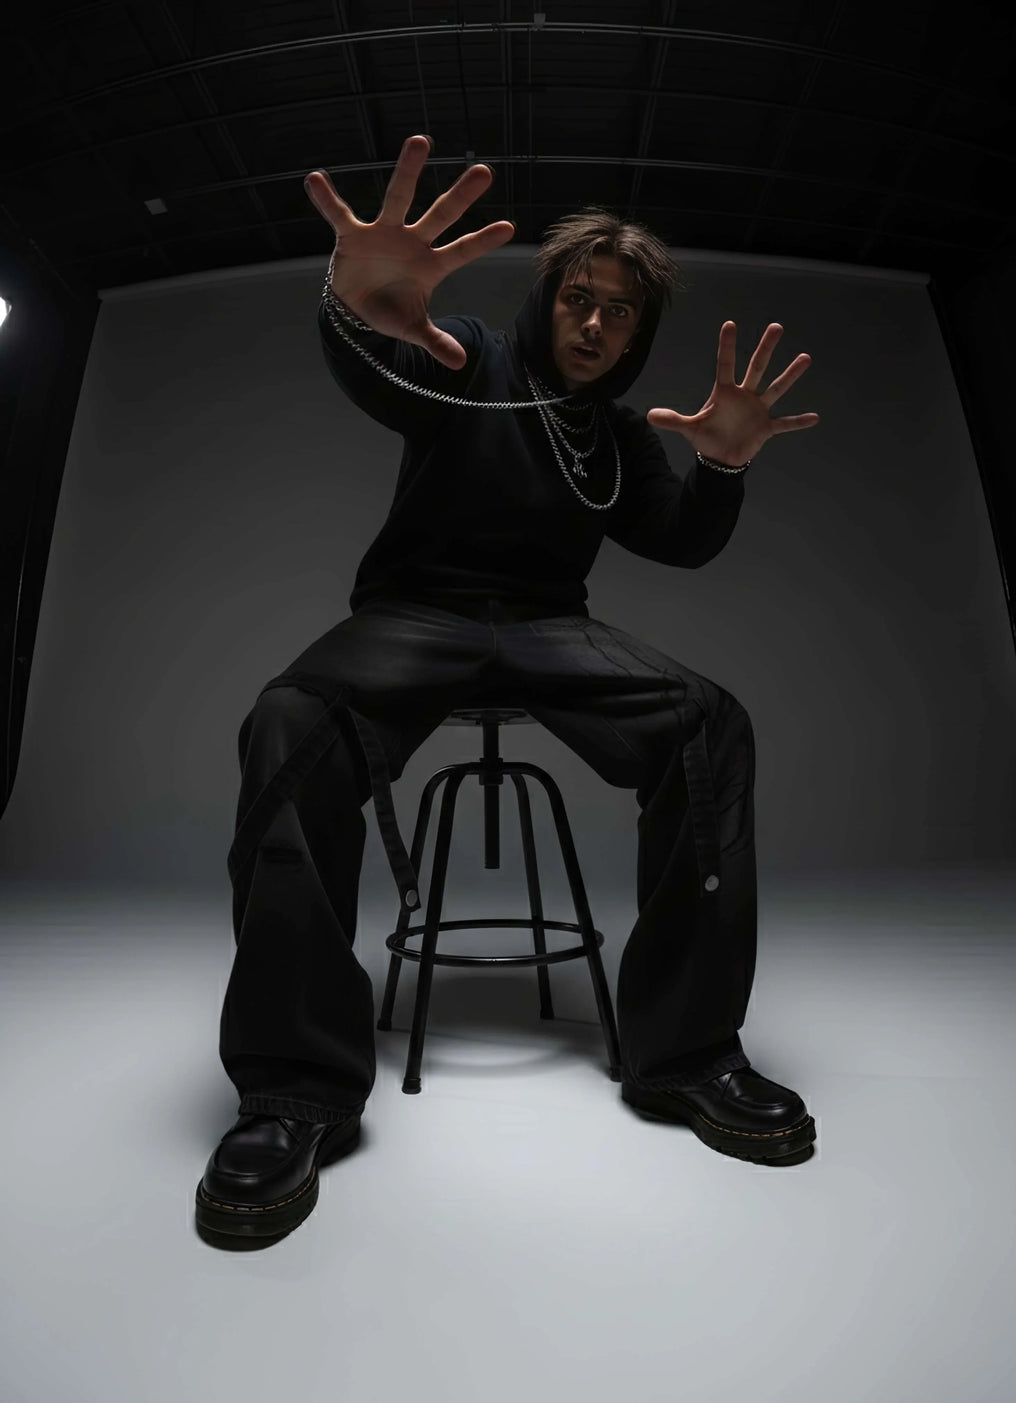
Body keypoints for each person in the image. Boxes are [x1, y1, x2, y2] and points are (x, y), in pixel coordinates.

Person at [196, 134, 821, 1244]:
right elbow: (378, 359)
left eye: (618, 312)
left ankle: (688, 1054)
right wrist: (350, 303)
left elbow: (675, 541)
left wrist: (721, 466)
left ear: (638, 332)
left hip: (547, 630)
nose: (592, 323)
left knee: (709, 726)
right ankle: (292, 1088)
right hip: (411, 618)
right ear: (549, 299)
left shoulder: (617, 435)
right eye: (578, 298)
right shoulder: (469, 357)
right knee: (289, 718)